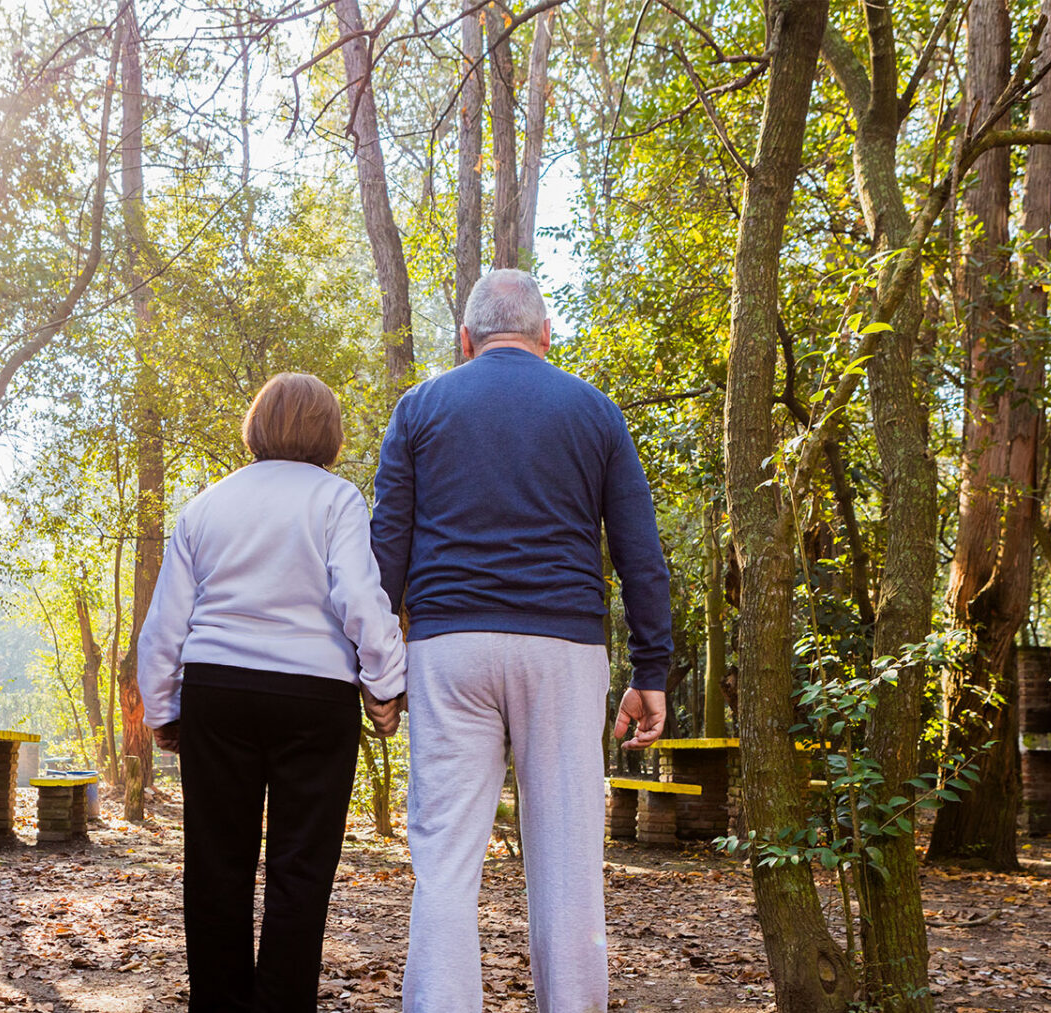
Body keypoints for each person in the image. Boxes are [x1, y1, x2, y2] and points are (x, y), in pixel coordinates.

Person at [371, 269, 672, 1013]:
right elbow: (639, 550)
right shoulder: (595, 411)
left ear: (465, 340)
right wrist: (651, 669)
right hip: (563, 651)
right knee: (569, 860)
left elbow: (387, 546)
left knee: (445, 859)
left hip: (449, 647)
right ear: (545, 336)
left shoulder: (420, 408)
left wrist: (378, 669)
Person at [135, 371, 407, 1013]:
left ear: (256, 425)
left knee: (215, 866)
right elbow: (359, 597)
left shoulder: (206, 505)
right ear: (329, 433)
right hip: (314, 698)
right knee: (301, 870)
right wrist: (385, 684)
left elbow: (165, 622)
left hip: (219, 692)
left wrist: (164, 708)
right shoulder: (338, 499)